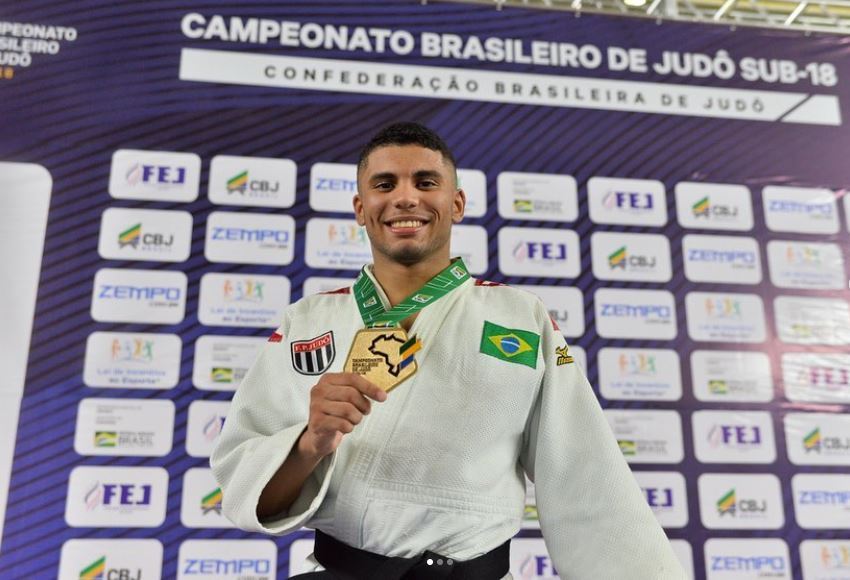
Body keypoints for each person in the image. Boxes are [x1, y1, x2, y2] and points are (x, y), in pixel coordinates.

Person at [211, 122, 686, 579]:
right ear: (361, 208)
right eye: (384, 184)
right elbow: (249, 489)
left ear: (455, 203)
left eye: (425, 181)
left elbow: (585, 475)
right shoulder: (308, 322)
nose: (404, 197)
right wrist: (308, 444)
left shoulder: (521, 317)